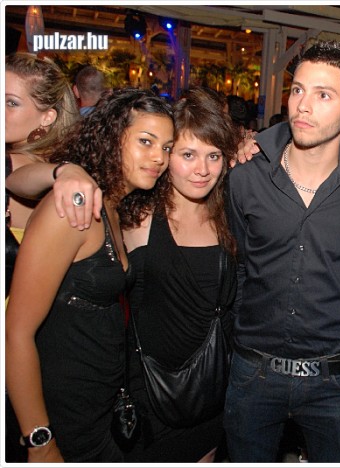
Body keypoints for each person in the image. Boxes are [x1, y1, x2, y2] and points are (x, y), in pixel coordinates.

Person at [223, 40, 340, 463]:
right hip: (253, 373)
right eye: (298, 89)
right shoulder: (245, 178)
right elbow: (237, 264)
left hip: (334, 381)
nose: (303, 104)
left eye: (323, 95)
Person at [5, 88, 174, 463]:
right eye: (146, 141)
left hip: (96, 410)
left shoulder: (112, 205)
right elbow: (15, 333)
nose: (159, 158)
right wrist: (39, 440)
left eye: (166, 147)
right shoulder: (71, 209)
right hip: (60, 417)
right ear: (112, 138)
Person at [118, 88, 239, 462]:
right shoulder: (135, 218)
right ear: (167, 155)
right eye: (188, 155)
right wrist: (68, 174)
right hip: (151, 398)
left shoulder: (230, 217)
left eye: (213, 156)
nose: (202, 169)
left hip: (213, 395)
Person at [4, 52, 80, 462]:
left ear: (46, 118)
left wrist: (63, 172)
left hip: (26, 358)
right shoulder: (49, 172)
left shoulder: (41, 172)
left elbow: (21, 176)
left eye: (11, 102)